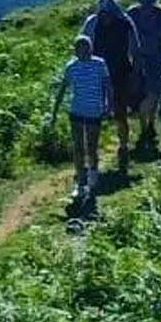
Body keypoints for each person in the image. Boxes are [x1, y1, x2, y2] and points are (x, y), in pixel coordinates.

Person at [50, 34, 112, 210]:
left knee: (91, 147)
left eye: (85, 47)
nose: (82, 51)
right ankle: (80, 182)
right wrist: (54, 112)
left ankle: (93, 179)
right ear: (75, 50)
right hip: (76, 111)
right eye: (79, 48)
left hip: (94, 111)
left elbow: (108, 86)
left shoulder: (99, 64)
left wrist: (109, 105)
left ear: (90, 48)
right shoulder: (71, 67)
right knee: (78, 147)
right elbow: (63, 89)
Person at [82, 0, 141, 174]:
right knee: (94, 113)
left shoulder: (124, 23)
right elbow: (83, 45)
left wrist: (136, 73)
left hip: (120, 73)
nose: (104, 15)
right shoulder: (93, 23)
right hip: (98, 73)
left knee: (120, 112)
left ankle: (123, 145)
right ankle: (92, 152)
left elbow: (134, 49)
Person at [127, 0, 161, 154]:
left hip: (155, 58)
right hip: (138, 59)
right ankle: (146, 126)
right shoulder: (132, 13)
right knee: (141, 95)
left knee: (153, 93)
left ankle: (149, 125)